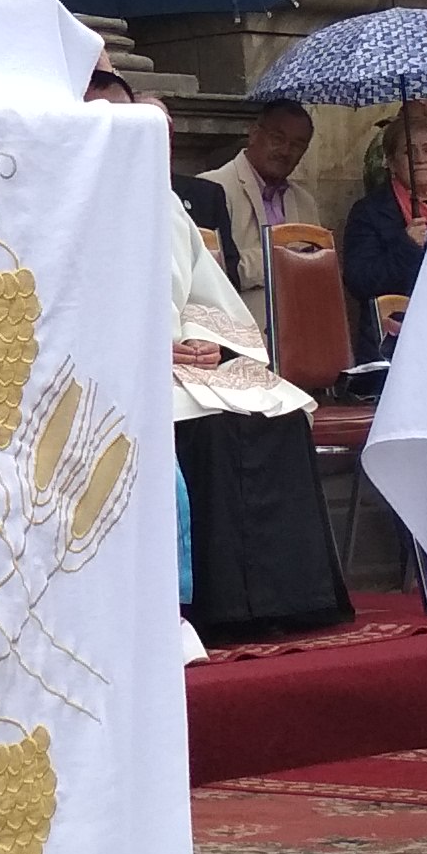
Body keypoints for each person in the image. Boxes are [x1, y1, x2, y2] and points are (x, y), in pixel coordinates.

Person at [98, 73, 346, 641]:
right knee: (207, 429)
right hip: (121, 369)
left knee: (275, 414)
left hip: (187, 361)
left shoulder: (162, 202)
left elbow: (203, 292)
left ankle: (290, 601)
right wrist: (148, 348)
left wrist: (209, 340)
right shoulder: (60, 199)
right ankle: (221, 607)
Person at [340, 109, 427, 343]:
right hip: (399, 335)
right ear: (391, 162)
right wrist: (407, 247)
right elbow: (359, 281)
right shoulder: (369, 212)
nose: (420, 158)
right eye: (409, 151)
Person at [191, 100, 316, 314]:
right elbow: (210, 272)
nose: (286, 151)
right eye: (278, 138)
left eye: (297, 145)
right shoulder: (211, 188)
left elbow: (316, 275)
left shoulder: (305, 202)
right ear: (254, 134)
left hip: (298, 330)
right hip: (238, 333)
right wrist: (281, 258)